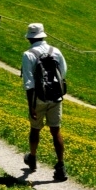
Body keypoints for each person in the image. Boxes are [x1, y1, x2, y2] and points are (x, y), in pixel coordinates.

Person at [20, 23, 67, 180]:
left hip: (38, 98)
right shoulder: (56, 51)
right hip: (56, 96)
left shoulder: (28, 55)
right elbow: (63, 72)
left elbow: (29, 83)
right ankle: (61, 166)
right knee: (56, 131)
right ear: (43, 36)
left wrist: (31, 106)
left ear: (30, 38)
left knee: (35, 129)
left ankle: (32, 158)